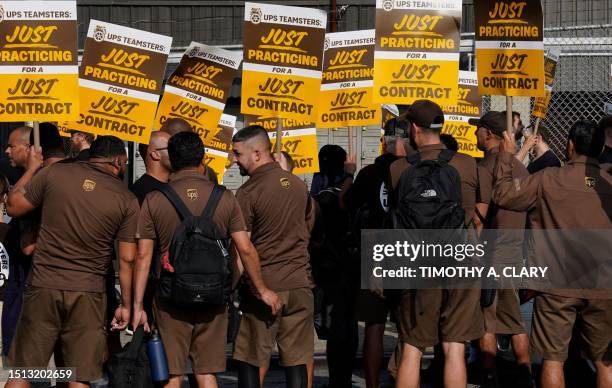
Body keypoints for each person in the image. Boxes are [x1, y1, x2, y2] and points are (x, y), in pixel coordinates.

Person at [132, 131, 281, 388]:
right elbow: (244, 249)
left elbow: (143, 255)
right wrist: (259, 289)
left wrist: (136, 305)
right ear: (203, 159)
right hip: (213, 298)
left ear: (173, 161)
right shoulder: (225, 197)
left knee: (172, 373)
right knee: (206, 372)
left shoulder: (155, 200)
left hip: (170, 298)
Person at [5, 136, 139, 387]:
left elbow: (13, 206)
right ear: (120, 162)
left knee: (25, 371)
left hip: (44, 285)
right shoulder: (127, 198)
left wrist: (33, 168)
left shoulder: (55, 174)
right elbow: (127, 260)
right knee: (79, 375)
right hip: (88, 293)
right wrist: (127, 304)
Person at [493, 120, 612, 388]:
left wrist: (507, 155)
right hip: (604, 285)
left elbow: (502, 195)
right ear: (602, 148)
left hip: (556, 284)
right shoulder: (608, 185)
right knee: (606, 361)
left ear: (569, 146)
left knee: (552, 359)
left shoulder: (548, 179)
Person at [388, 100, 483, 388]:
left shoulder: (398, 169)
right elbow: (477, 217)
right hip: (460, 261)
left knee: (412, 347)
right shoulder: (467, 164)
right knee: (454, 346)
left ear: (415, 128)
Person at [231, 125, 314, 388]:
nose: (233, 160)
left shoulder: (248, 192)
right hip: (300, 285)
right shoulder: (300, 186)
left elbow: (242, 249)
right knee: (297, 359)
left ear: (257, 153)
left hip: (265, 287)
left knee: (249, 357)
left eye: (237, 153)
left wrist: (232, 287)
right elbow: (307, 231)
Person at [342, 119, 407, 388]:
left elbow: (345, 203)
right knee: (408, 328)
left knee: (374, 325)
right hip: (407, 248)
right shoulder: (414, 170)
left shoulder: (369, 173)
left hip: (375, 248)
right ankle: (404, 378)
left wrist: (348, 173)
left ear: (385, 141)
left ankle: (372, 384)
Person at [469, 111, 532, 387]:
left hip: (489, 256)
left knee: (487, 322)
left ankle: (489, 376)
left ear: (489, 134)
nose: (475, 134)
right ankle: (525, 374)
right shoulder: (520, 169)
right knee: (514, 321)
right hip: (514, 255)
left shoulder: (484, 168)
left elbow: (476, 217)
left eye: (478, 130)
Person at [1, 126, 32, 360]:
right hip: (16, 267)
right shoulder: (16, 174)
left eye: (12, 146)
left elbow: (13, 204)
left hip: (32, 271)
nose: (7, 150)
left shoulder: (40, 178)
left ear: (29, 148)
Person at [131, 131, 172, 205]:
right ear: (155, 155)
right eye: (172, 148)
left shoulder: (175, 185)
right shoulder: (142, 193)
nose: (178, 151)